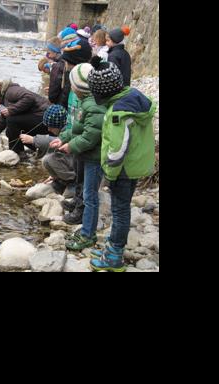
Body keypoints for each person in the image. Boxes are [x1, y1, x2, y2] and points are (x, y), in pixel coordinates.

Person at [86, 61, 157, 272]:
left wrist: (109, 173)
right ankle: (112, 246)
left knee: (120, 210)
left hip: (124, 169)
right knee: (122, 208)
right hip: (136, 164)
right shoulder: (134, 97)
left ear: (101, 93)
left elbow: (117, 150)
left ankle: (115, 256)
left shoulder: (119, 113)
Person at [52, 62, 105, 234]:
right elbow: (77, 128)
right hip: (84, 153)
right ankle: (77, 200)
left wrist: (71, 145)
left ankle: (82, 215)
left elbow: (90, 135)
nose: (71, 88)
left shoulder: (94, 106)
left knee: (90, 190)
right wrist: (62, 138)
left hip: (93, 155)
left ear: (79, 87)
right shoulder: (86, 101)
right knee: (80, 178)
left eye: (72, 84)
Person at [0, 80, 51, 161]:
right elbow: (0, 124)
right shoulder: (7, 100)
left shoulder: (11, 91)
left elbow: (29, 97)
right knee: (10, 131)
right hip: (40, 119)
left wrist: (11, 110)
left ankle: (17, 153)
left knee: (12, 120)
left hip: (46, 118)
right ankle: (38, 148)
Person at [20, 105, 77, 194]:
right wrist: (53, 175)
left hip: (77, 162)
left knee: (48, 159)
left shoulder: (68, 131)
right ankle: (60, 180)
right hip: (71, 161)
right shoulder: (65, 128)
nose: (48, 129)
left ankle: (73, 182)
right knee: (46, 160)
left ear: (58, 125)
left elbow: (51, 141)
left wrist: (33, 140)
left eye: (51, 126)